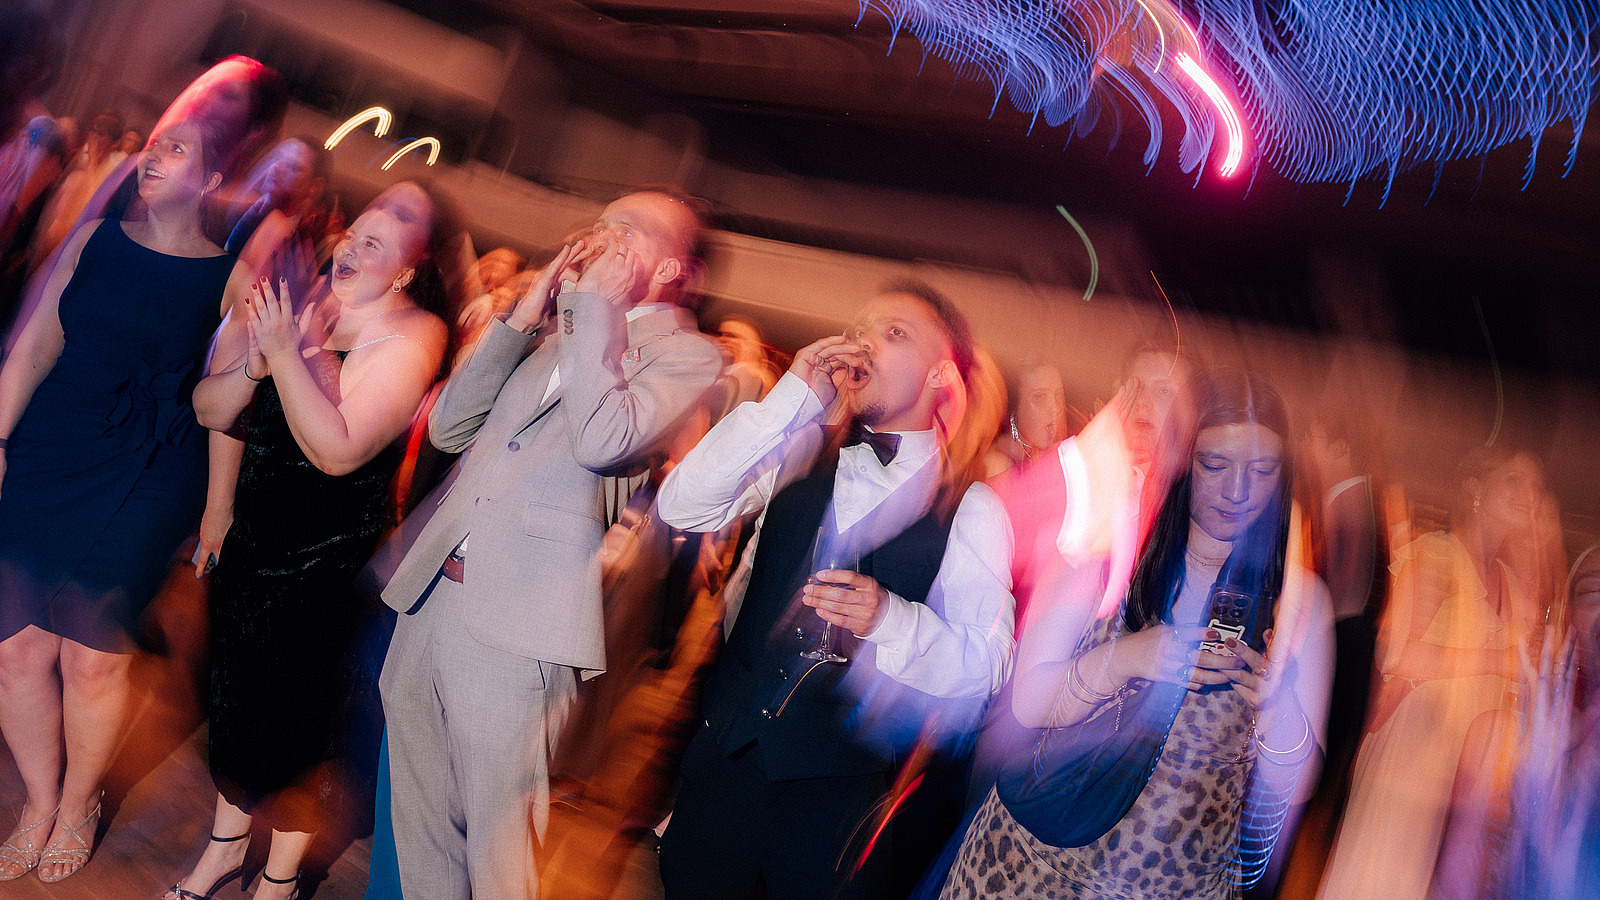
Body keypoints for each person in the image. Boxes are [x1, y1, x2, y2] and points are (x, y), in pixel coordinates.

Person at [372, 187, 724, 900]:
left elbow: (603, 440)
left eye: (635, 228)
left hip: (519, 628)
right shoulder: (561, 329)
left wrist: (591, 308)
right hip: (433, 596)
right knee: (422, 837)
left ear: (674, 270)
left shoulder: (687, 356)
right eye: (606, 219)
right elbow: (449, 430)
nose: (609, 233)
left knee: (503, 864)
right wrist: (519, 317)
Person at [655, 281, 1014, 900]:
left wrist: (891, 621)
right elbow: (683, 507)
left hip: (835, 811)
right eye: (860, 328)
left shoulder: (973, 509)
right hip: (723, 774)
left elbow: (986, 671)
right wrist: (793, 397)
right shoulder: (799, 446)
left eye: (893, 332)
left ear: (939, 377)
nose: (864, 341)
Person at [936, 368, 1334, 900]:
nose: (1238, 492)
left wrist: (1276, 709)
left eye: (1262, 471)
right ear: (1182, 463)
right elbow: (1028, 705)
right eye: (1215, 464)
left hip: (1176, 888)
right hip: (1033, 870)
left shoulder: (1299, 602)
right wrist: (1130, 657)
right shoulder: (1109, 555)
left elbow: (1300, 785)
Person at [0, 117, 241, 883]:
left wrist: (218, 510)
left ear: (209, 181)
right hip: (52, 445)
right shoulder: (95, 236)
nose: (154, 155)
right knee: (14, 649)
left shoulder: (228, 277)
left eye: (178, 149)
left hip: (152, 468)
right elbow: (37, 342)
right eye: (154, 143)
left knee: (95, 661)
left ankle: (79, 804)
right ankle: (39, 801)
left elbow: (232, 403)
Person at [1318, 445, 1556, 899]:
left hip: (1465, 789)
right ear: (1475, 490)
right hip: (1410, 770)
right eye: (1514, 481)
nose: (1529, 494)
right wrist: (1495, 660)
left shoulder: (1513, 584)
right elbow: (1396, 656)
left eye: (1535, 486)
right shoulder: (1439, 556)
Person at [983, 360, 1072, 478]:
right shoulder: (998, 466)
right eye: (1040, 396)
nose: (1056, 408)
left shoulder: (1035, 455)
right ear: (1015, 404)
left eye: (1058, 395)